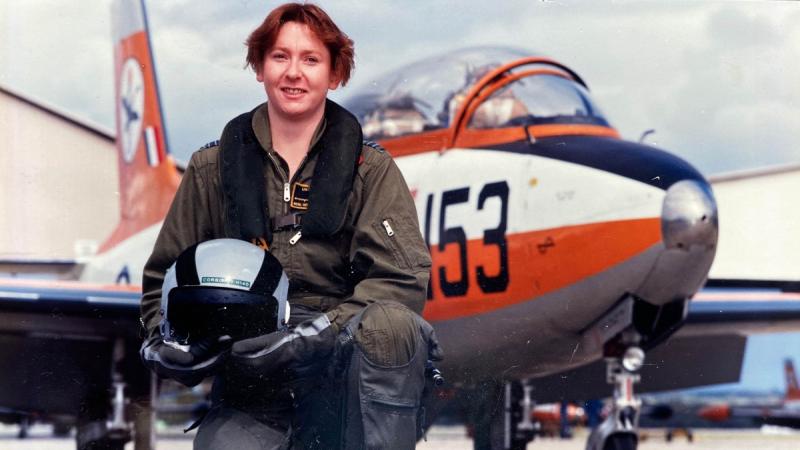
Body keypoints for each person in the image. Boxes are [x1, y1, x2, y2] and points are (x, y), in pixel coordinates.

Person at [138, 3, 438, 449]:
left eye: (311, 59)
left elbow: (401, 281)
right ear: (259, 67)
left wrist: (314, 336)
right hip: (251, 379)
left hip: (342, 373)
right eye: (280, 57)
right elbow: (161, 281)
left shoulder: (371, 171)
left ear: (335, 74)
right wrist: (166, 340)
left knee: (394, 326)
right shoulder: (211, 168)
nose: (293, 73)